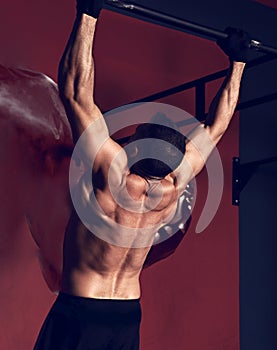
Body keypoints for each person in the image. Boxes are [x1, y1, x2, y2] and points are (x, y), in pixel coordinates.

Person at [34, 1, 250, 349]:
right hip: (127, 316)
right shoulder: (176, 182)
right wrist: (238, 62)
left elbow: (75, 93)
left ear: (134, 148)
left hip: (82, 309)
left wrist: (88, 13)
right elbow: (216, 127)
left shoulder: (114, 172)